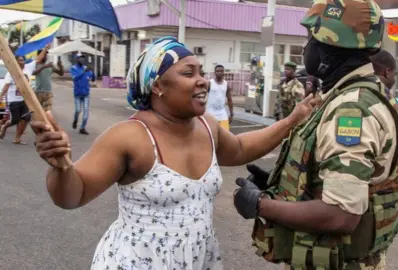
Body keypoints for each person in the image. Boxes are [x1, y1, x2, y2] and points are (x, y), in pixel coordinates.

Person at [30, 37, 315, 270]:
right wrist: (61, 167)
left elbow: (239, 149)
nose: (202, 80)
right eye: (188, 73)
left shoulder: (207, 126)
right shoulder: (130, 136)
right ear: (157, 86)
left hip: (198, 259)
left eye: (201, 72)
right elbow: (72, 196)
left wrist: (290, 122)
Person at [233, 1, 398, 269]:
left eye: (311, 38)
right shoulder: (364, 93)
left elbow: (340, 214)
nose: (307, 47)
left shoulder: (351, 110)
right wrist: (285, 187)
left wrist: (260, 204)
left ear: (331, 48)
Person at [0, 55, 36, 144]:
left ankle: (17, 138)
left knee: (26, 118)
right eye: (19, 60)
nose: (22, 62)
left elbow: (38, 59)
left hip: (24, 100)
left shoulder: (28, 69)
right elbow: (6, 87)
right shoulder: (11, 73)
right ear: (16, 62)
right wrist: (1, 96)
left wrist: (45, 48)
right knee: (15, 120)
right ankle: (4, 127)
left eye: (23, 60)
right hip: (13, 100)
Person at [32, 44, 65, 112]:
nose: (46, 56)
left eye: (46, 55)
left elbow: (61, 73)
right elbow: (33, 73)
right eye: (44, 55)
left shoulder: (50, 65)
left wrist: (61, 66)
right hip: (38, 92)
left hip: (48, 93)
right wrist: (44, 66)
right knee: (39, 113)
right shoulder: (35, 64)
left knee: (47, 112)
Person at [70, 53, 95, 135]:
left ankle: (82, 128)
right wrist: (84, 72)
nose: (82, 59)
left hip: (86, 94)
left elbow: (93, 79)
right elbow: (75, 78)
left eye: (83, 58)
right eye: (80, 58)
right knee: (78, 110)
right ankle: (75, 120)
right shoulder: (73, 68)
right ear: (76, 59)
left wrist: (93, 71)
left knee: (86, 112)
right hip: (77, 93)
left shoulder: (86, 68)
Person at [206, 64, 234, 131]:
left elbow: (230, 100)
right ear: (214, 73)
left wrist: (231, 114)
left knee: (225, 132)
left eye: (221, 71)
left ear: (224, 72)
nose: (219, 73)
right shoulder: (209, 83)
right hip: (210, 112)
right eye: (217, 71)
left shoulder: (226, 84)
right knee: (211, 132)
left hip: (222, 112)